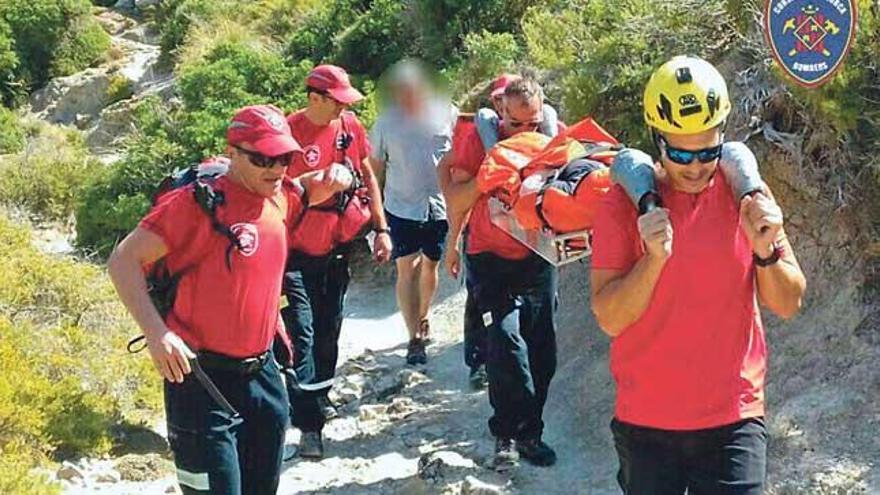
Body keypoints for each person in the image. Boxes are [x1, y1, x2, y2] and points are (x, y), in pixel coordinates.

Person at [107, 104, 352, 495]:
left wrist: (335, 176)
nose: (275, 168)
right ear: (234, 153)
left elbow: (307, 189)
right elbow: (123, 260)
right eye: (262, 158)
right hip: (200, 381)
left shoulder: (279, 194)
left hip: (263, 377)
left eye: (284, 157)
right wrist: (157, 333)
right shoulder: (197, 205)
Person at [590, 55, 807, 494]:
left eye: (708, 151)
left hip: (734, 418)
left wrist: (765, 249)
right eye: (681, 152)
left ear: (723, 138)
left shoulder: (745, 196)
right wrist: (653, 259)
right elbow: (610, 317)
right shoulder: (621, 207)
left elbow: (788, 302)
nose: (695, 166)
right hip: (647, 424)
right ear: (657, 139)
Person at [441, 76, 563, 470]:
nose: (525, 134)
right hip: (489, 257)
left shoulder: (553, 137)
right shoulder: (477, 140)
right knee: (506, 344)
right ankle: (506, 434)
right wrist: (454, 241)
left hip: (538, 257)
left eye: (533, 124)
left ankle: (532, 434)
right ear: (500, 116)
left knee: (542, 352)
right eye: (516, 126)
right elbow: (456, 199)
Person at [282, 64, 392, 460]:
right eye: (337, 101)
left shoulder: (349, 127)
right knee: (303, 337)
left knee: (330, 330)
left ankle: (320, 396)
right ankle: (309, 427)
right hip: (292, 255)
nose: (343, 108)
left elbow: (367, 176)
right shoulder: (286, 134)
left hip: (336, 249)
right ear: (314, 98)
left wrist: (380, 228)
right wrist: (317, 179)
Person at [369, 60, 457, 365]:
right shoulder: (384, 124)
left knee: (430, 266)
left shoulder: (447, 112)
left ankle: (424, 314)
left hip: (439, 204)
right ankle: (414, 338)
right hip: (400, 206)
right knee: (407, 267)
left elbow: (460, 153)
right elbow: (375, 170)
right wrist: (377, 218)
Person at [474, 73, 559, 150]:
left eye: (533, 124)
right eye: (516, 124)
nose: (524, 130)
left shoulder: (551, 123)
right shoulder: (485, 127)